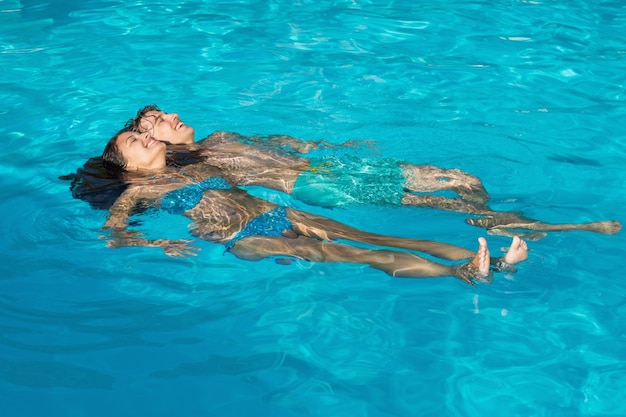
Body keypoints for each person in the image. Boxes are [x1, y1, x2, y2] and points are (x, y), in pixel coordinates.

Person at [99, 127, 529, 286]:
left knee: (383, 238)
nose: (147, 137)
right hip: (246, 237)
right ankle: (463, 274)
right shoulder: (136, 194)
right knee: (360, 254)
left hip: (278, 215)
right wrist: (156, 245)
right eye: (137, 141)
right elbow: (113, 236)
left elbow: (258, 168)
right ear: (128, 165)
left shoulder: (197, 166)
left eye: (141, 133)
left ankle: (491, 264)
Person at [128, 105, 622, 239]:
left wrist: (327, 146)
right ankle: (527, 225)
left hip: (332, 164)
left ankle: (492, 218)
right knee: (441, 198)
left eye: (163, 115)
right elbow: (158, 190)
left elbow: (279, 145)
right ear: (157, 146)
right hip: (317, 183)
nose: (169, 119)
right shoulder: (195, 163)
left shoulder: (217, 138)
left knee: (460, 176)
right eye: (156, 125)